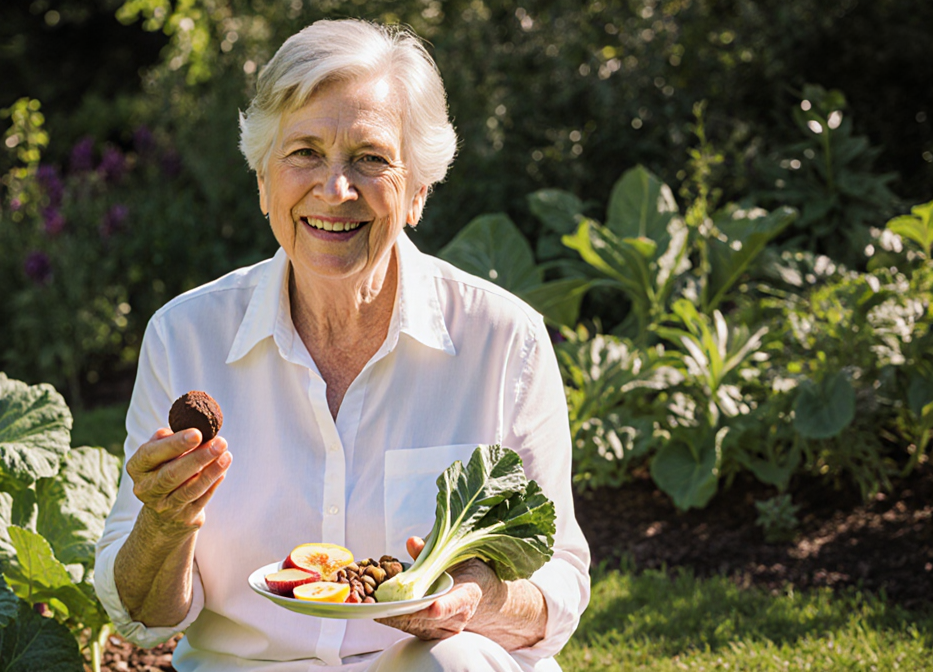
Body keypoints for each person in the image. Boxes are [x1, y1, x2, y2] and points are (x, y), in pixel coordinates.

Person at [94, 18, 590, 672]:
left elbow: (562, 581)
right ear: (265, 180)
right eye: (303, 152)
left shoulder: (502, 340)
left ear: (416, 190)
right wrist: (164, 525)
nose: (335, 190)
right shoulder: (186, 337)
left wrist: (484, 596)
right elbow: (146, 617)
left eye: (370, 158)